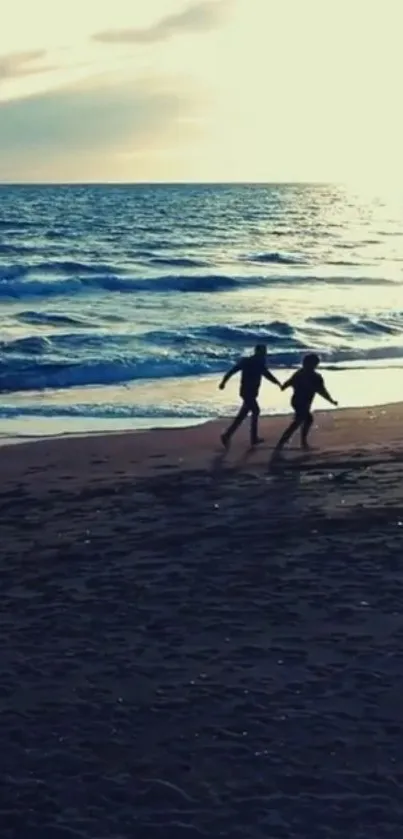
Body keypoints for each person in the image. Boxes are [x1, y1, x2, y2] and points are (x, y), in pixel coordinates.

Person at [219, 344, 281, 448]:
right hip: (247, 392)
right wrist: (223, 382)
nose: (265, 354)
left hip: (251, 392)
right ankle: (253, 438)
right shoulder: (250, 361)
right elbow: (232, 371)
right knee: (256, 411)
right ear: (258, 352)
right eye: (263, 352)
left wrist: (277, 383)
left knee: (242, 415)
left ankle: (227, 435)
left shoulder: (257, 362)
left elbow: (266, 374)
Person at [274, 352, 337, 451]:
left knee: (305, 420)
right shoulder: (315, 377)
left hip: (296, 401)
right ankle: (287, 443)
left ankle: (296, 442)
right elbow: (322, 391)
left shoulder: (300, 373)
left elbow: (288, 382)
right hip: (302, 402)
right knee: (301, 421)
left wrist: (283, 386)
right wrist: (331, 401)